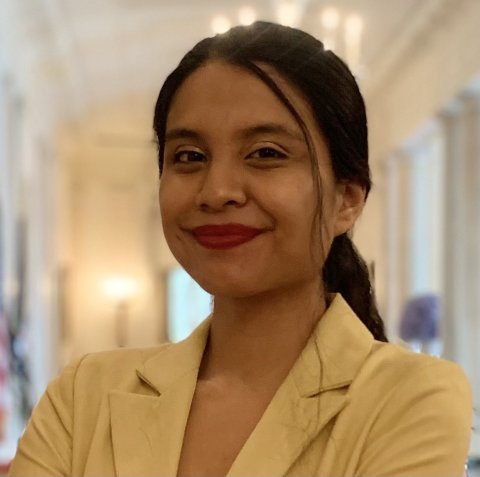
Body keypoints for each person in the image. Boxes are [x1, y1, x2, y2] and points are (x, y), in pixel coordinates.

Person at [9, 21, 472, 477]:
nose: (217, 191)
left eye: (266, 152)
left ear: (345, 200)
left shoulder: (409, 396)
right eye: (189, 156)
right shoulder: (83, 395)